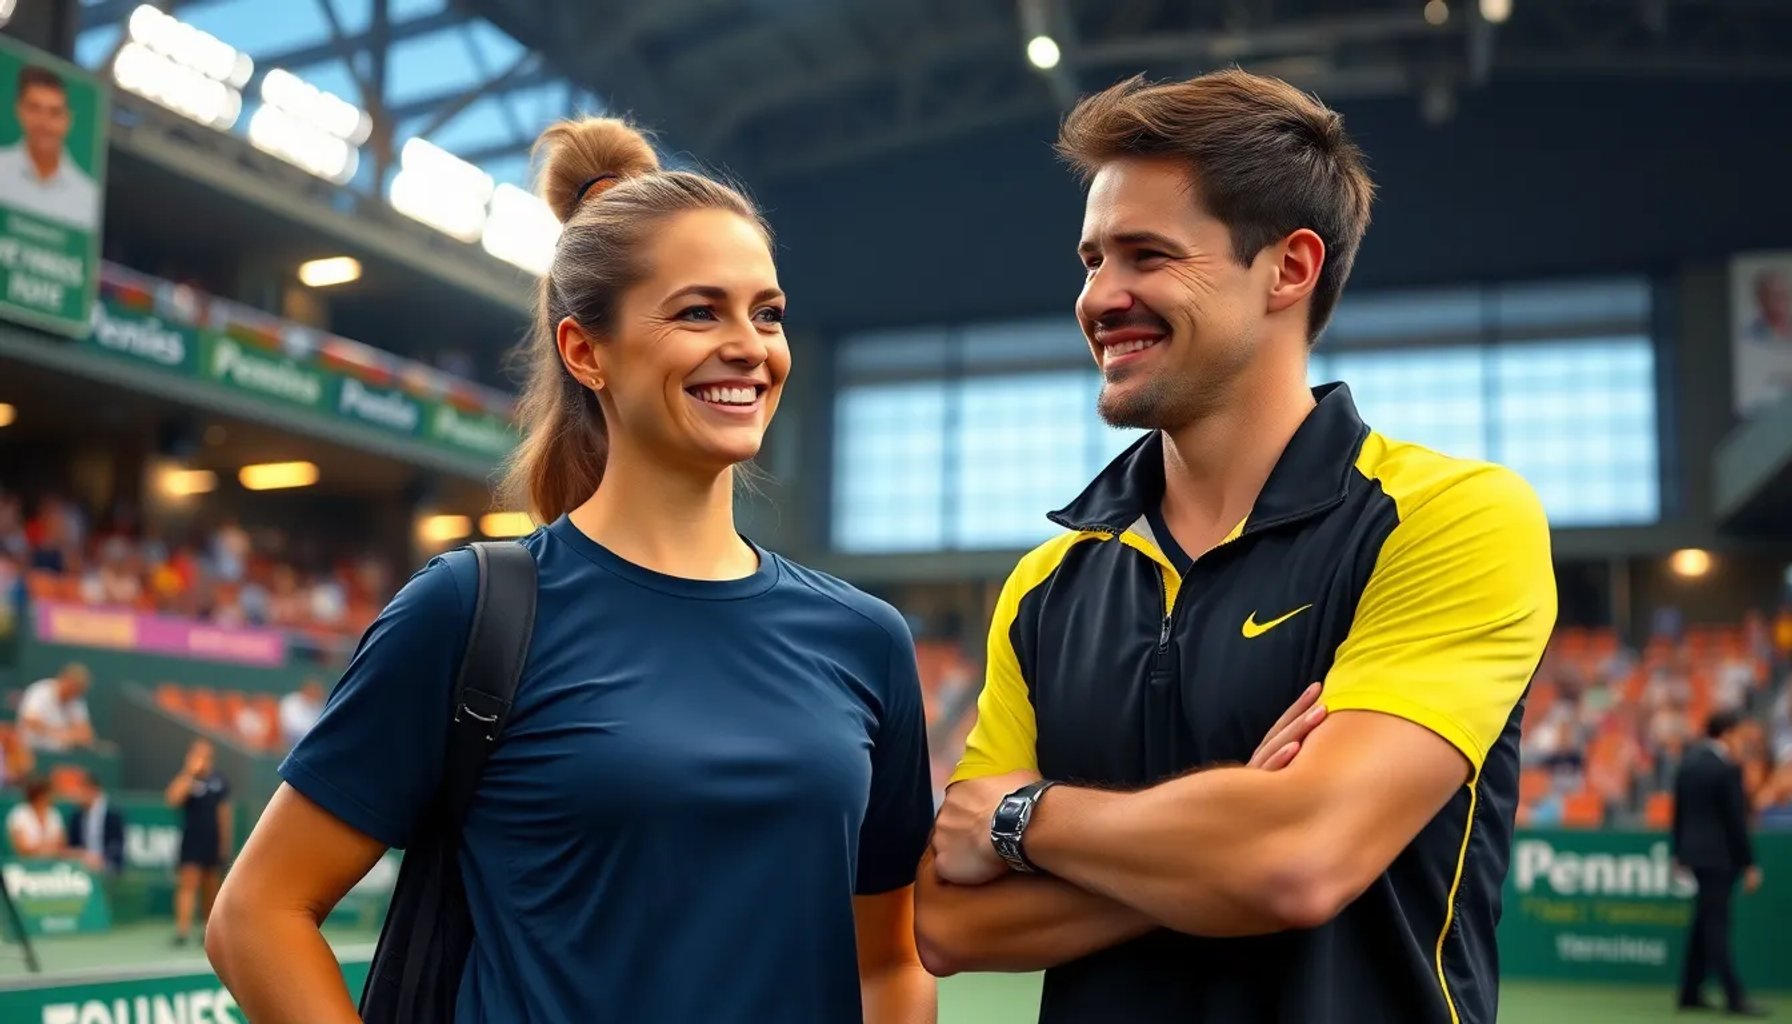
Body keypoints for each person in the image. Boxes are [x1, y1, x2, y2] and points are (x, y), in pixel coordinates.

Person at [205, 116, 937, 1024]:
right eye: (698, 310)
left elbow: (891, 965)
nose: (751, 345)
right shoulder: (472, 611)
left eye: (768, 312)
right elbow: (257, 915)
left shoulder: (863, 640)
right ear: (585, 351)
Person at [915, 69, 1557, 1024]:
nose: (1100, 297)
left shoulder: (1452, 516)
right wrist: (1228, 845)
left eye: (1146, 255)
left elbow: (1296, 864)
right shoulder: (1048, 583)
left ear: (1290, 269)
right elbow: (950, 925)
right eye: (1092, 260)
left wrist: (1026, 817)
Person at [1672, 710, 1767, 1016]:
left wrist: (1678, 853)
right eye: (1740, 735)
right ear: (1726, 734)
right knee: (1717, 927)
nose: (1743, 742)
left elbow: (1679, 814)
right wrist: (1750, 863)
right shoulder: (1727, 768)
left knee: (1704, 923)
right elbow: (1735, 822)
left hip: (1695, 856)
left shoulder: (1688, 763)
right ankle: (1734, 996)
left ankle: (1690, 991)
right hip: (1720, 858)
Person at [0, 64, 100, 231]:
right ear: (20, 111)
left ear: (67, 120)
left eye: (54, 112)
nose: (44, 123)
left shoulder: (87, 197)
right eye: (35, 109)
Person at [167, 738, 232, 947]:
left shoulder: (219, 780)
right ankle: (182, 930)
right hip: (191, 839)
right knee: (187, 883)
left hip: (211, 841)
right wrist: (189, 773)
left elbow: (224, 814)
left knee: (210, 887)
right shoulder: (187, 779)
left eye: (205, 754)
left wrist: (224, 844)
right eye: (197, 754)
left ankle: (209, 931)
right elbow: (172, 800)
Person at [17, 662, 96, 752]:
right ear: (64, 680)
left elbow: (86, 734)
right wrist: (58, 734)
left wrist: (69, 735)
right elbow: (30, 721)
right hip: (32, 750)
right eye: (72, 687)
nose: (73, 693)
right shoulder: (40, 691)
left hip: (62, 753)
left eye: (78, 690)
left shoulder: (76, 700)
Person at [66, 768, 125, 875]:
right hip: (81, 864)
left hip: (107, 865)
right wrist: (80, 855)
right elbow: (72, 845)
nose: (78, 795)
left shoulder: (112, 814)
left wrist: (101, 859)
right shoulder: (77, 816)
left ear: (92, 791)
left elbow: (117, 846)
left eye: (82, 791)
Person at [4, 774, 67, 858]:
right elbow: (22, 848)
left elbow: (61, 844)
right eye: (47, 793)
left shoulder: (54, 813)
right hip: (26, 864)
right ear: (39, 795)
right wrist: (47, 848)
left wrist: (41, 848)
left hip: (52, 863)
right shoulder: (19, 814)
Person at [277, 677, 325, 749]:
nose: (313, 694)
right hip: (286, 742)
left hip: (309, 746)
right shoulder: (292, 701)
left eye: (316, 691)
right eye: (311, 690)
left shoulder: (320, 707)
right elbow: (289, 726)